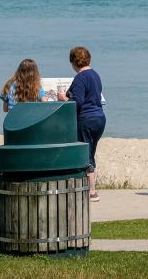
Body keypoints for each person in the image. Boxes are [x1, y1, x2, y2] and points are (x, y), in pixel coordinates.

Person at [57, 46, 105, 201]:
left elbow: (77, 102)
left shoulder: (80, 78)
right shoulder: (95, 75)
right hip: (99, 118)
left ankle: (92, 191)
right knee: (91, 152)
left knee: (86, 154)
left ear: (73, 62)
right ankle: (90, 186)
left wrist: (63, 99)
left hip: (86, 119)